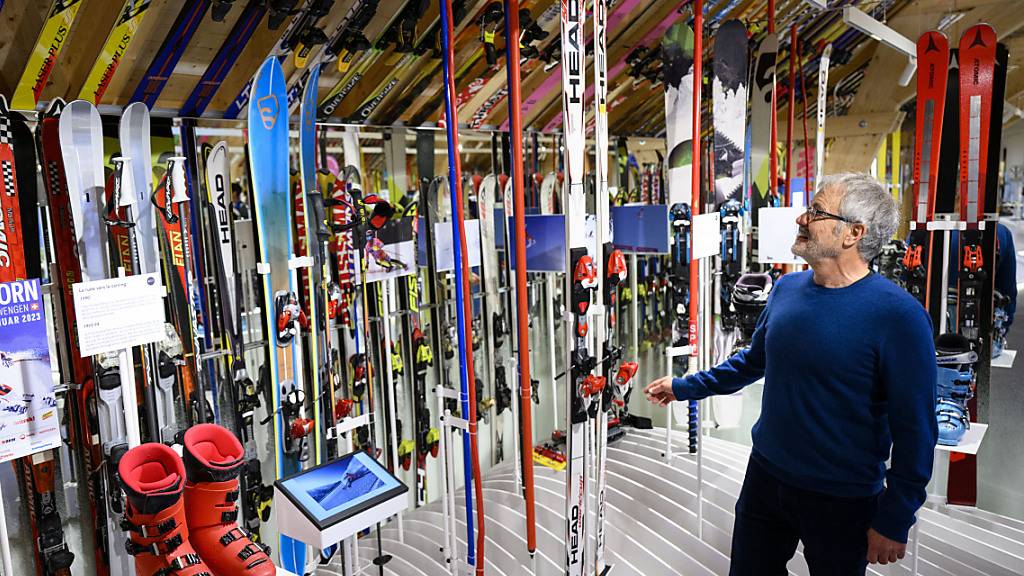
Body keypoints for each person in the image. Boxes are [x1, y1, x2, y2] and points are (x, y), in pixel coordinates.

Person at [645, 173, 937, 576]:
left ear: (853, 232)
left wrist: (896, 515)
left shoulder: (900, 317)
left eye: (816, 212)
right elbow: (751, 362)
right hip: (766, 478)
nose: (802, 218)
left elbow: (916, 428)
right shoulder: (786, 289)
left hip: (842, 499)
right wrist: (684, 386)